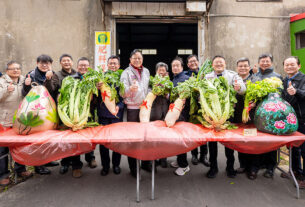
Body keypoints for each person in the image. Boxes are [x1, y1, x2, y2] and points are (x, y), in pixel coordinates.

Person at [205, 55, 246, 178]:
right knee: (212, 143)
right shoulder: (207, 77)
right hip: (212, 114)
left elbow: (243, 89)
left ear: (225, 64)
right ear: (212, 65)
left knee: (229, 142)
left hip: (227, 114)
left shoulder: (233, 76)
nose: (218, 65)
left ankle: (230, 167)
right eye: (216, 63)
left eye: (221, 63)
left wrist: (239, 88)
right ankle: (213, 167)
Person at [44, 54, 83, 178]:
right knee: (64, 140)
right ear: (60, 63)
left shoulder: (78, 75)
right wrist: (49, 80)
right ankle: (65, 163)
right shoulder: (56, 76)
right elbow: (51, 90)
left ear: (72, 62)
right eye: (64, 61)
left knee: (76, 141)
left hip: (76, 111)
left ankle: (77, 166)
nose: (66, 62)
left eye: (68, 60)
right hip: (62, 112)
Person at [22, 54, 58, 175]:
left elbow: (52, 90)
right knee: (37, 139)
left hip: (49, 110)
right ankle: (38, 165)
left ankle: (46, 160)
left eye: (47, 63)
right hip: (35, 110)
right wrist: (26, 85)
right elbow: (25, 93)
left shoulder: (53, 74)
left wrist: (48, 79)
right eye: (42, 63)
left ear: (50, 64)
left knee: (47, 138)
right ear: (37, 63)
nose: (44, 65)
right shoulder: (31, 75)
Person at [0, 61, 33, 186]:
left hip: (20, 121)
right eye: (12, 69)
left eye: (18, 68)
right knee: (2, 150)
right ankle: (3, 175)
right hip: (4, 121)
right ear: (7, 70)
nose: (16, 71)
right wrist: (6, 91)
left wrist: (28, 86)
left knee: (20, 147)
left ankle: (21, 170)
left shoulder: (25, 80)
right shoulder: (2, 82)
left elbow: (30, 95)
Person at [120, 49, 150, 177]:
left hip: (145, 108)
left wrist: (150, 93)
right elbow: (122, 92)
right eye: (135, 58)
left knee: (145, 137)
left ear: (142, 59)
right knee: (133, 139)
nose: (137, 60)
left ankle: (145, 163)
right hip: (132, 108)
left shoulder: (147, 71)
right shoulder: (126, 73)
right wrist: (129, 89)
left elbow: (147, 87)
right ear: (130, 60)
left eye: (139, 58)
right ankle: (133, 167)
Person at [255, 53, 282, 178]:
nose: (264, 63)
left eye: (267, 61)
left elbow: (281, 94)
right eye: (262, 61)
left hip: (272, 113)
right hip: (257, 112)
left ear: (271, 62)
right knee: (259, 139)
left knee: (271, 140)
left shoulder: (277, 76)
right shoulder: (255, 76)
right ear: (259, 62)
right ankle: (260, 163)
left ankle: (271, 166)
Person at [96, 55, 124, 176]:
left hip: (117, 114)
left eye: (115, 63)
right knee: (104, 142)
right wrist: (97, 88)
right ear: (107, 65)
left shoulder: (122, 78)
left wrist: (120, 106)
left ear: (119, 66)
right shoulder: (101, 78)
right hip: (103, 114)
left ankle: (116, 165)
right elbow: (95, 96)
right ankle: (105, 166)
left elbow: (125, 96)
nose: (113, 65)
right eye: (111, 63)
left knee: (117, 141)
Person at [235, 57, 261, 180]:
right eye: (240, 66)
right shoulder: (234, 80)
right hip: (238, 115)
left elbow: (261, 95)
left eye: (245, 65)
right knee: (241, 141)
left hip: (251, 116)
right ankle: (243, 165)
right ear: (237, 68)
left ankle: (253, 168)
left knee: (252, 142)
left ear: (249, 67)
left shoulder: (255, 80)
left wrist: (256, 102)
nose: (243, 68)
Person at [282, 56, 305, 188]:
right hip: (290, 120)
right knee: (293, 147)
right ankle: (296, 171)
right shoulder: (285, 80)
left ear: (299, 66)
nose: (289, 67)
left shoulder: (303, 78)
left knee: (304, 150)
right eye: (287, 65)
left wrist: (297, 92)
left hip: (303, 119)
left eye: (292, 64)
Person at [71, 57, 97, 169]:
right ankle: (76, 165)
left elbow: (98, 99)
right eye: (81, 65)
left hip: (89, 113)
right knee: (76, 140)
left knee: (89, 138)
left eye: (86, 65)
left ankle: (90, 158)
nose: (83, 67)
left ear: (89, 67)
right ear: (77, 67)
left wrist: (94, 97)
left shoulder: (94, 80)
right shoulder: (72, 79)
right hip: (75, 115)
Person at [185, 55, 210, 167]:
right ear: (187, 65)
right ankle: (194, 155)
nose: (193, 63)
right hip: (190, 108)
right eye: (190, 62)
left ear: (198, 62)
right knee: (193, 133)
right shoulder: (185, 75)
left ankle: (203, 155)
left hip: (203, 107)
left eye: (194, 61)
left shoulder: (205, 74)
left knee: (203, 132)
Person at [169, 57, 191, 176]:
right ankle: (179, 160)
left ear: (182, 67)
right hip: (176, 113)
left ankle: (184, 166)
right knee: (177, 140)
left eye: (178, 65)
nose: (175, 67)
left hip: (182, 115)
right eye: (173, 66)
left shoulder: (185, 79)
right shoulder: (175, 78)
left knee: (181, 140)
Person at [150, 62, 170, 168]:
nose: (161, 72)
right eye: (159, 70)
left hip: (165, 112)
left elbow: (170, 96)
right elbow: (147, 94)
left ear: (166, 72)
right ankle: (154, 158)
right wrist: (155, 88)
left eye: (163, 70)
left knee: (164, 137)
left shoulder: (169, 82)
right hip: (154, 113)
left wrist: (167, 92)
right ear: (156, 71)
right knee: (154, 137)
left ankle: (163, 158)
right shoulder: (152, 81)